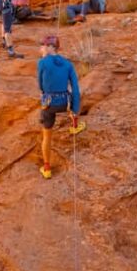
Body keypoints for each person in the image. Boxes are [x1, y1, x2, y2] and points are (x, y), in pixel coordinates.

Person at [37, 34, 84, 179]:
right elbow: (75, 88)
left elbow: (40, 85)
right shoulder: (68, 64)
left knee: (47, 136)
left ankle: (46, 168)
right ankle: (75, 124)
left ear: (51, 47)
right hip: (65, 103)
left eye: (43, 45)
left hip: (48, 104)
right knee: (71, 99)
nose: (41, 48)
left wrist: (44, 93)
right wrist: (75, 109)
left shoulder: (42, 63)